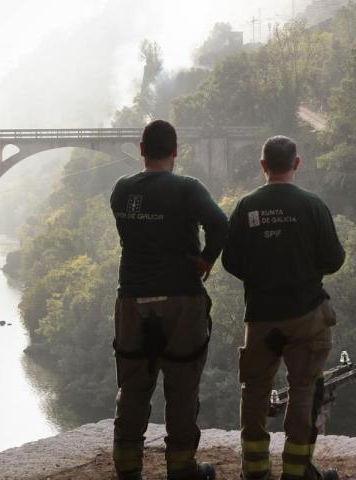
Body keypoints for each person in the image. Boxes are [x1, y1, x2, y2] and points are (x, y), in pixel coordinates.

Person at [110, 119, 228, 480]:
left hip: (132, 301)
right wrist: (206, 258)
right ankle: (182, 469)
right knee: (181, 386)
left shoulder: (121, 191)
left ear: (141, 149)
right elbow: (220, 224)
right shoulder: (188, 189)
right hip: (181, 298)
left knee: (132, 388)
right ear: (176, 151)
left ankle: (128, 468)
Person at [222, 135, 345, 480]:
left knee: (255, 392)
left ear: (263, 166)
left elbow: (231, 261)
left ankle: (255, 470)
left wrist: (260, 276)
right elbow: (334, 259)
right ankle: (296, 470)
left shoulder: (247, 207)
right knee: (305, 388)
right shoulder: (313, 206)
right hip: (306, 314)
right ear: (297, 163)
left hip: (261, 315)